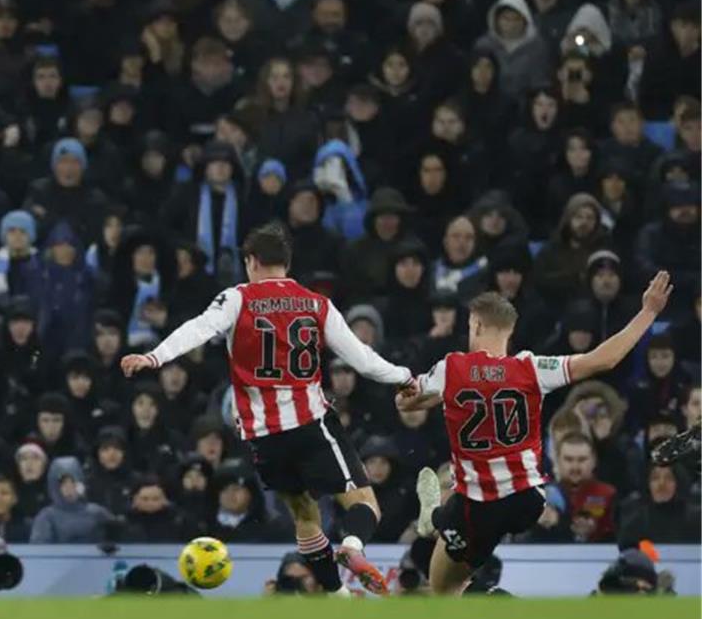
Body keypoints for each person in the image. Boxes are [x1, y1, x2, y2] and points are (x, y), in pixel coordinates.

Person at [121, 223, 414, 595]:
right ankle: (352, 548)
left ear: (250, 262)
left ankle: (337, 594)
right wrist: (406, 377)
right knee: (365, 503)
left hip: (264, 435)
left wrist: (154, 356)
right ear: (287, 265)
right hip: (310, 422)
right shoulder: (316, 303)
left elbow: (199, 328)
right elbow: (364, 361)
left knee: (305, 515)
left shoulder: (237, 298)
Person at [398, 273, 674, 595]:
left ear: (474, 325)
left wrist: (417, 392)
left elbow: (405, 404)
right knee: (463, 548)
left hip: (480, 504)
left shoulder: (451, 369)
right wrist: (648, 312)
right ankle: (449, 535)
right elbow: (604, 359)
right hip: (528, 500)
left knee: (443, 586)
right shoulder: (532, 367)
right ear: (511, 330)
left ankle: (439, 525)